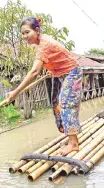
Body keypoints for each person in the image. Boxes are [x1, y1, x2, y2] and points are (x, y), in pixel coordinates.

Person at [6, 17, 82, 156]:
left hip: (72, 73)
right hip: (59, 73)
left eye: (27, 32)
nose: (24, 37)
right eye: (22, 34)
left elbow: (34, 71)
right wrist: (52, 68)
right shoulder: (41, 42)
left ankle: (74, 144)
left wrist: (15, 92)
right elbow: (56, 57)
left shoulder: (44, 45)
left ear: (37, 30)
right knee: (56, 104)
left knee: (65, 104)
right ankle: (70, 136)